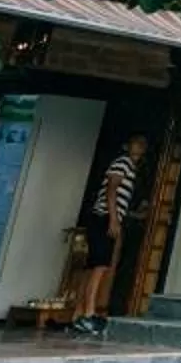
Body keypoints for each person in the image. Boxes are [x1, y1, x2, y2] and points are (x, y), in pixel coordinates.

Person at [70, 135, 147, 338]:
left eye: (142, 145)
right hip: (104, 218)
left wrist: (128, 215)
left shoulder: (130, 168)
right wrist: (113, 219)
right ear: (128, 145)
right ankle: (89, 312)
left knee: (92, 265)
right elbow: (111, 189)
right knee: (100, 266)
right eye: (135, 143)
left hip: (105, 216)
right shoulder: (123, 163)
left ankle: (78, 314)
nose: (139, 147)